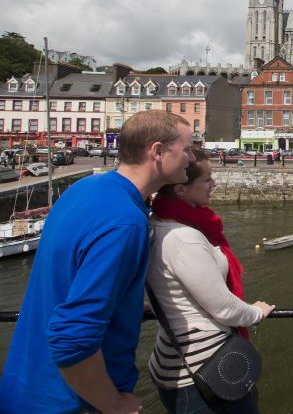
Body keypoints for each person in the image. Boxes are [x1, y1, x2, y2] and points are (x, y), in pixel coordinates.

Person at [0, 110, 195, 414]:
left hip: (25, 388)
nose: (192, 159)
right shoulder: (125, 223)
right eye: (187, 149)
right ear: (157, 152)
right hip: (70, 403)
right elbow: (70, 338)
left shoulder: (85, 190)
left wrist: (124, 301)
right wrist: (114, 404)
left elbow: (71, 276)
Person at [147, 148, 275, 414]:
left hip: (176, 360)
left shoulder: (159, 223)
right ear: (181, 189)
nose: (214, 183)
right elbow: (223, 307)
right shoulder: (183, 238)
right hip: (200, 370)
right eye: (207, 179)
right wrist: (256, 313)